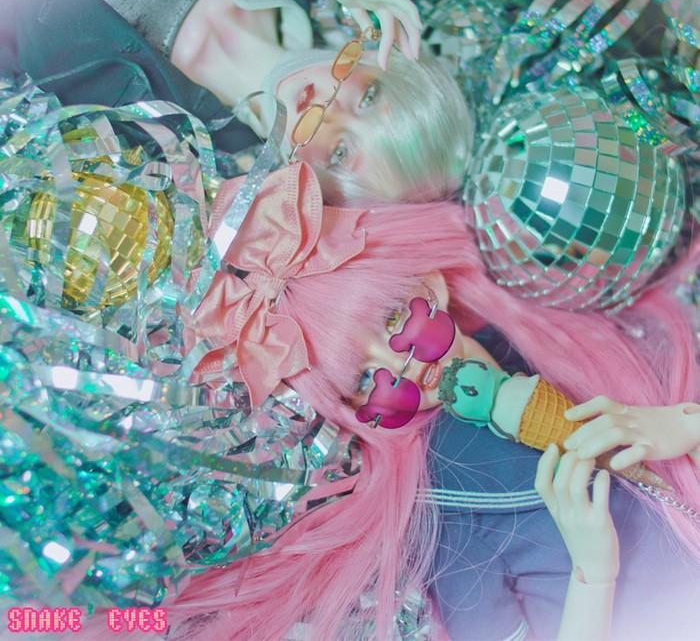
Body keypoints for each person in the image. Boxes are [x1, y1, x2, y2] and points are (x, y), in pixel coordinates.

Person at [173, 165, 700, 640]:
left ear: (430, 285)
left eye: (391, 319)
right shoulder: (445, 515)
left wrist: (686, 425)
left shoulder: (562, 337)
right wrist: (593, 575)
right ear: (357, 408)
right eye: (364, 376)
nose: (401, 363)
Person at [0, 0, 472, 205]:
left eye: (341, 152)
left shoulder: (138, 136)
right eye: (368, 99)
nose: (329, 111)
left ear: (312, 187)